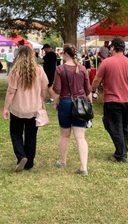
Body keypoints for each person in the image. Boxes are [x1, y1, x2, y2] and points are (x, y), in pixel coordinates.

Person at [92, 37, 128, 163]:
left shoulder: (106, 62)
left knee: (111, 125)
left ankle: (121, 153)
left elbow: (97, 79)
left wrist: (92, 90)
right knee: (124, 127)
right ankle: (123, 150)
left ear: (112, 48)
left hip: (112, 99)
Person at [3, 46, 48, 172]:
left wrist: (6, 108)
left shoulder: (15, 71)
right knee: (31, 136)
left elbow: (11, 92)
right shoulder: (39, 70)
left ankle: (21, 156)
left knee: (15, 134)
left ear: (19, 55)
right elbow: (45, 87)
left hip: (17, 109)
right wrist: (41, 100)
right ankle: (29, 162)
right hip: (34, 109)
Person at [51, 44, 92, 176]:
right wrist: (89, 105)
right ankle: (84, 167)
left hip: (65, 103)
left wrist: (55, 102)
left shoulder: (60, 69)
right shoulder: (82, 68)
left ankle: (62, 161)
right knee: (81, 137)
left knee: (64, 135)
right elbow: (88, 90)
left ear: (64, 53)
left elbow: (56, 90)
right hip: (81, 104)